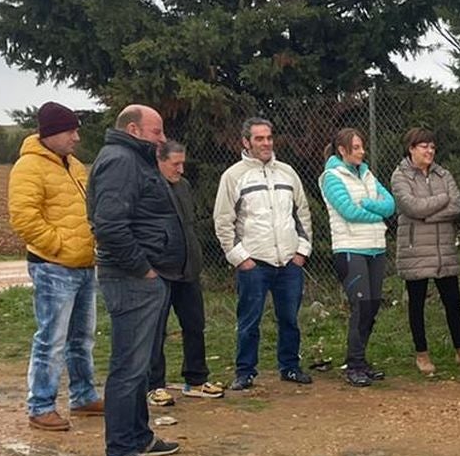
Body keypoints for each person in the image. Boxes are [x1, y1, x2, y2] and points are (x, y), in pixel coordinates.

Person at [88, 105, 184, 456]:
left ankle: (140, 437)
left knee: (141, 365)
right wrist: (143, 270)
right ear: (133, 129)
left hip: (147, 278)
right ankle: (120, 453)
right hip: (131, 280)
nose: (162, 139)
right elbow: (109, 225)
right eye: (156, 132)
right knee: (128, 367)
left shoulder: (134, 158)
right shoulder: (120, 161)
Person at [8, 102, 103, 431]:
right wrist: (58, 247)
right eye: (70, 131)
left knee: (82, 337)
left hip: (85, 265)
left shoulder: (74, 165)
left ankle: (83, 395)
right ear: (50, 133)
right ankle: (41, 406)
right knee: (52, 339)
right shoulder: (28, 168)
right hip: (53, 267)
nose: (76, 137)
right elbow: (24, 218)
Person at [213, 117, 314, 390]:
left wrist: (302, 252)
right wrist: (240, 259)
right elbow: (223, 221)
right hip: (254, 264)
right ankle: (245, 372)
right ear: (246, 142)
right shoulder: (233, 176)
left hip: (289, 263)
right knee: (249, 321)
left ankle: (290, 367)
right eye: (259, 138)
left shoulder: (287, 173)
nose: (266, 143)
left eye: (269, 137)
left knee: (290, 319)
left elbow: (302, 212)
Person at [390, 128, 460, 375]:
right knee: (417, 304)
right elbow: (411, 207)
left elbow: (456, 206)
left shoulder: (444, 174)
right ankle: (422, 355)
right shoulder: (400, 176)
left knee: (453, 302)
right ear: (411, 149)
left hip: (443, 249)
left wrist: (428, 216)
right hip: (415, 250)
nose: (430, 151)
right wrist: (441, 201)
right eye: (424, 146)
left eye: (432, 146)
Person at [148, 140, 224, 404]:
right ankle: (154, 384)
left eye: (182, 163)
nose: (180, 169)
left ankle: (196, 379)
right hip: (160, 269)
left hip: (188, 268)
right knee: (156, 329)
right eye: (175, 164)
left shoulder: (184, 186)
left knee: (194, 324)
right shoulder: (150, 186)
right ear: (160, 160)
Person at [320, 127, 396, 386]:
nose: (362, 152)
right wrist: (378, 213)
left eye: (362, 147)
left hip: (376, 247)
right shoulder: (331, 177)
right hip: (350, 249)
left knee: (373, 305)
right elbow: (348, 211)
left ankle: (361, 359)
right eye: (356, 148)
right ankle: (353, 364)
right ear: (342, 150)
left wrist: (372, 206)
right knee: (361, 306)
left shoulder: (367, 174)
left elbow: (390, 203)